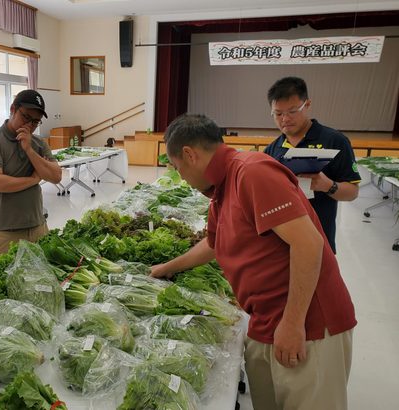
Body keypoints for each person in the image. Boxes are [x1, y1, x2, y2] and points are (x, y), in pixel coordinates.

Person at [151, 114, 356, 410]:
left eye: (178, 168)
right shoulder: (220, 189)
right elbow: (213, 242)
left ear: (189, 155)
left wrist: (293, 323)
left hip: (308, 323)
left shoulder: (252, 172)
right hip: (265, 318)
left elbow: (308, 244)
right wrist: (166, 268)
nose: (180, 176)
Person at [264, 77, 360, 253]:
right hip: (281, 241)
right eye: (278, 114)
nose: (284, 119)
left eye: (292, 111)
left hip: (319, 238)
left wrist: (327, 186)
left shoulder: (334, 141)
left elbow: (352, 192)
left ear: (307, 105)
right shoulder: (272, 150)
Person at [0, 89, 62, 256]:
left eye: (35, 122)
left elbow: (55, 176)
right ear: (13, 109)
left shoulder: (37, 143)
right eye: (26, 117)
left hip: (38, 226)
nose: (29, 125)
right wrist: (33, 180)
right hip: (6, 232)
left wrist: (29, 150)